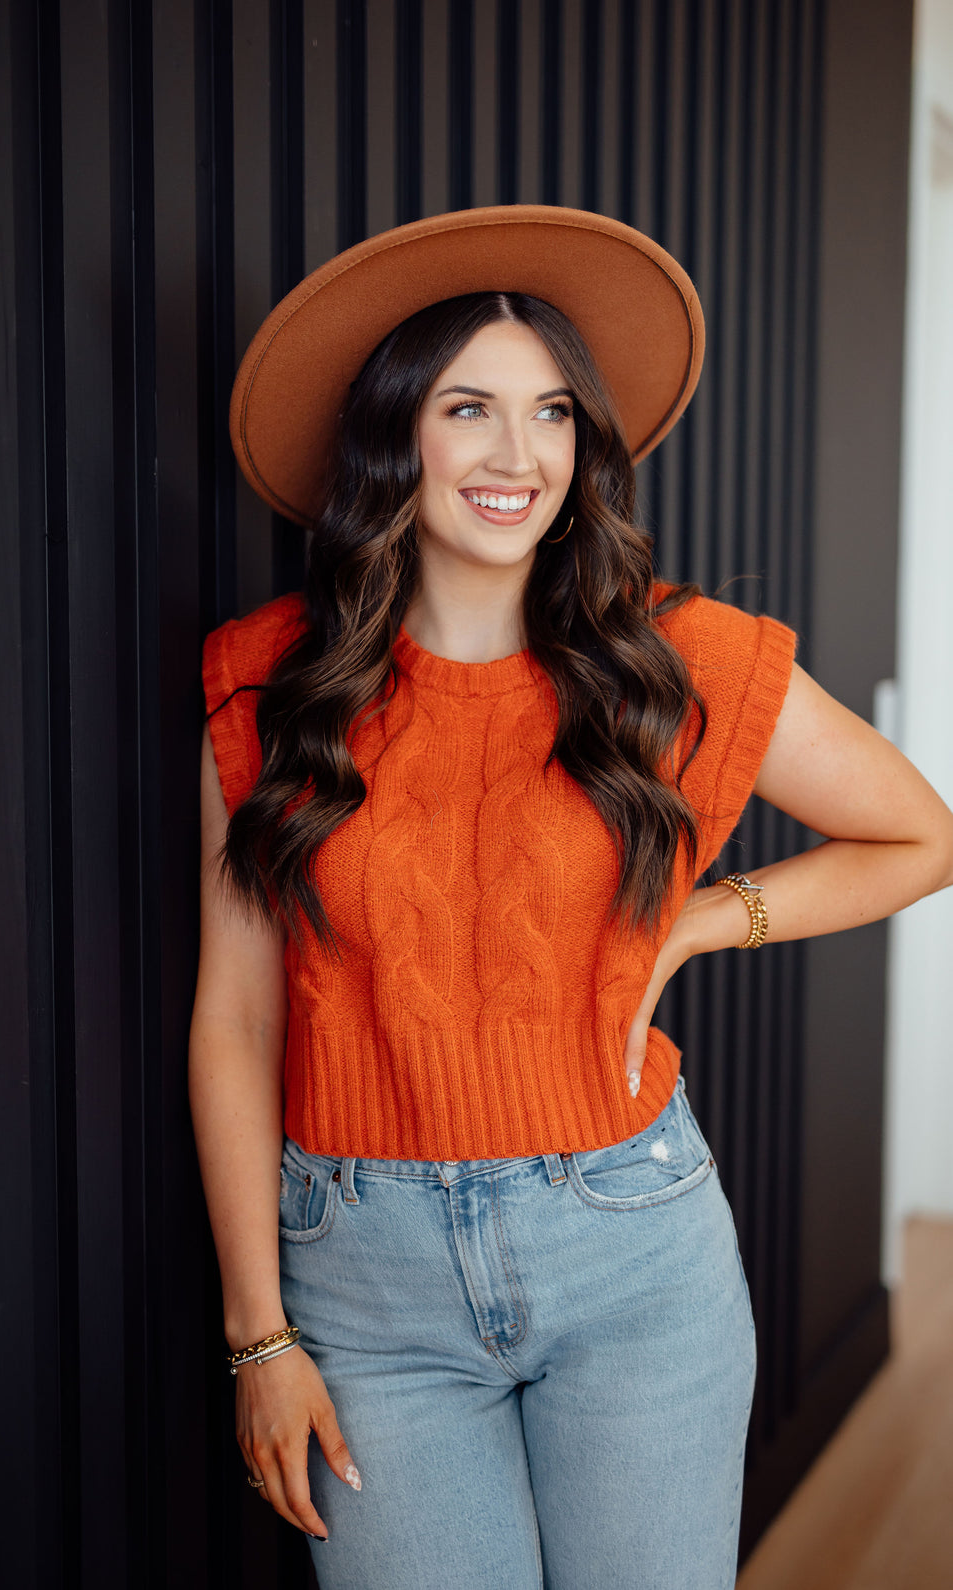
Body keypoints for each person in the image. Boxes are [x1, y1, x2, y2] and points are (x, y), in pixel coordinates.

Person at [189, 206, 953, 1590]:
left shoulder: (673, 659)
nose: (518, 455)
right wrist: (261, 1334)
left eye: (551, 413)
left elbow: (921, 834)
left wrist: (706, 919)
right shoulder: (266, 693)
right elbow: (236, 1023)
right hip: (362, 1289)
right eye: (467, 407)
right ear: (392, 436)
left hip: (632, 1256)